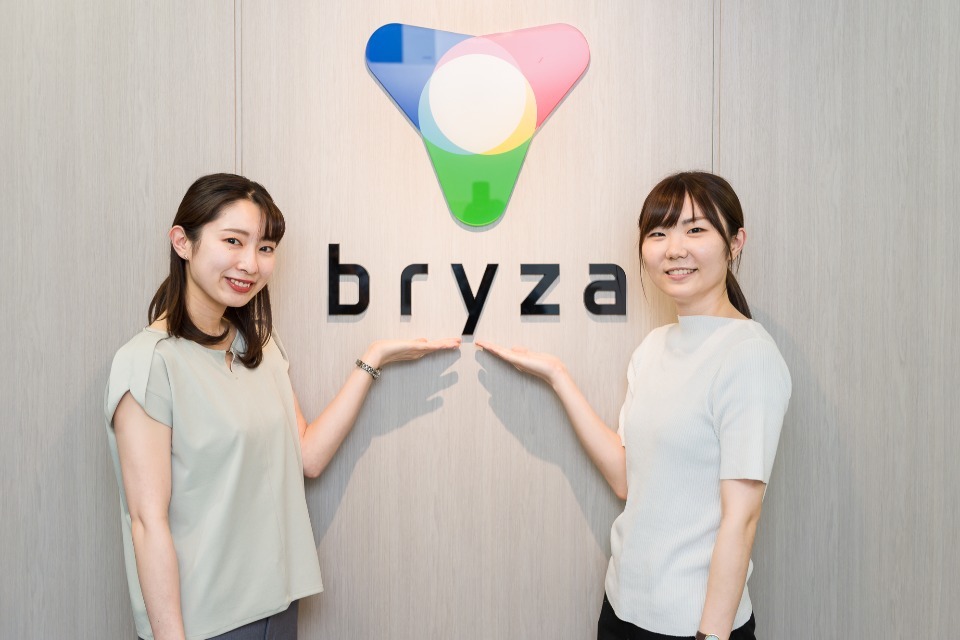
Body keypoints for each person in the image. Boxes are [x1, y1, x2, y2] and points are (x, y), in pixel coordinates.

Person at [104, 173, 460, 640]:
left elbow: (307, 456)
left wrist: (372, 359)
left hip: (278, 606)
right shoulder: (149, 362)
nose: (250, 264)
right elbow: (147, 523)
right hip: (205, 622)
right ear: (182, 242)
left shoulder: (259, 345)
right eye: (233, 241)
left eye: (266, 247)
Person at [477, 171, 791, 640]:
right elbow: (628, 478)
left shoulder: (748, 355)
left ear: (735, 242)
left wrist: (711, 636)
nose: (674, 249)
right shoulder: (654, 346)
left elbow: (741, 520)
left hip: (693, 627)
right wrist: (558, 376)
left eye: (695, 229)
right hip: (622, 608)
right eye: (658, 233)